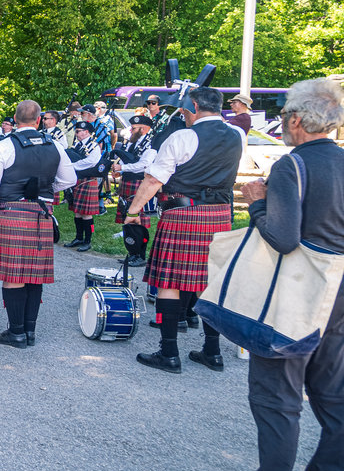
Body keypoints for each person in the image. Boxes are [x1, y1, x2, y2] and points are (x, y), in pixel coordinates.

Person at [206, 78, 344, 471]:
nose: (283, 124)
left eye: (286, 116)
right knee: (334, 394)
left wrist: (258, 202)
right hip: (340, 295)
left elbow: (283, 237)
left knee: (278, 400)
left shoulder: (293, 165)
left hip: (296, 296)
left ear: (299, 121)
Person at [123, 86, 245, 374]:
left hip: (183, 214)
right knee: (209, 281)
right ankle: (212, 352)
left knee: (169, 283)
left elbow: (153, 180)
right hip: (219, 215)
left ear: (193, 105)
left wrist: (132, 212)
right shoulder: (237, 135)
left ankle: (169, 354)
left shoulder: (183, 136)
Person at [0, 100, 76, 347]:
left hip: (9, 213)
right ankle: (30, 331)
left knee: (14, 274)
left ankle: (16, 332)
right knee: (34, 274)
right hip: (41, 214)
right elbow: (68, 179)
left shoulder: (5, 146)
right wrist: (46, 192)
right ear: (39, 120)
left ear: (15, 120)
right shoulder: (55, 145)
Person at [112, 114, 157, 265]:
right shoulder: (133, 142)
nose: (131, 130)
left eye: (134, 128)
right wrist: (120, 171)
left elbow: (143, 165)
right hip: (128, 182)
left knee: (139, 222)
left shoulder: (151, 144)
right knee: (128, 219)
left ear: (143, 129)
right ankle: (132, 252)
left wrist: (122, 167)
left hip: (139, 183)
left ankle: (141, 256)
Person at [63, 121, 103, 252]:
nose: (77, 133)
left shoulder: (94, 146)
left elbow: (91, 162)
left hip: (87, 181)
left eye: (79, 131)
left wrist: (73, 166)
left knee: (87, 214)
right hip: (77, 180)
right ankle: (79, 237)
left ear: (86, 132)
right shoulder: (78, 144)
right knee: (77, 212)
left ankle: (88, 241)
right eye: (77, 130)